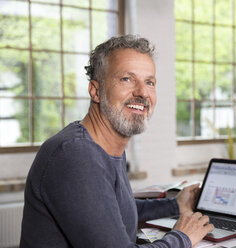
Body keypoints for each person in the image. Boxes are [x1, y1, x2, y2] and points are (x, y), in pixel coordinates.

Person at [20, 35, 214, 248]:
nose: (142, 92)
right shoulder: (75, 154)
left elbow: (116, 209)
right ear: (96, 91)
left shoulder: (107, 147)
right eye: (126, 79)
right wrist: (182, 238)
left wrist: (175, 205)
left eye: (149, 82)